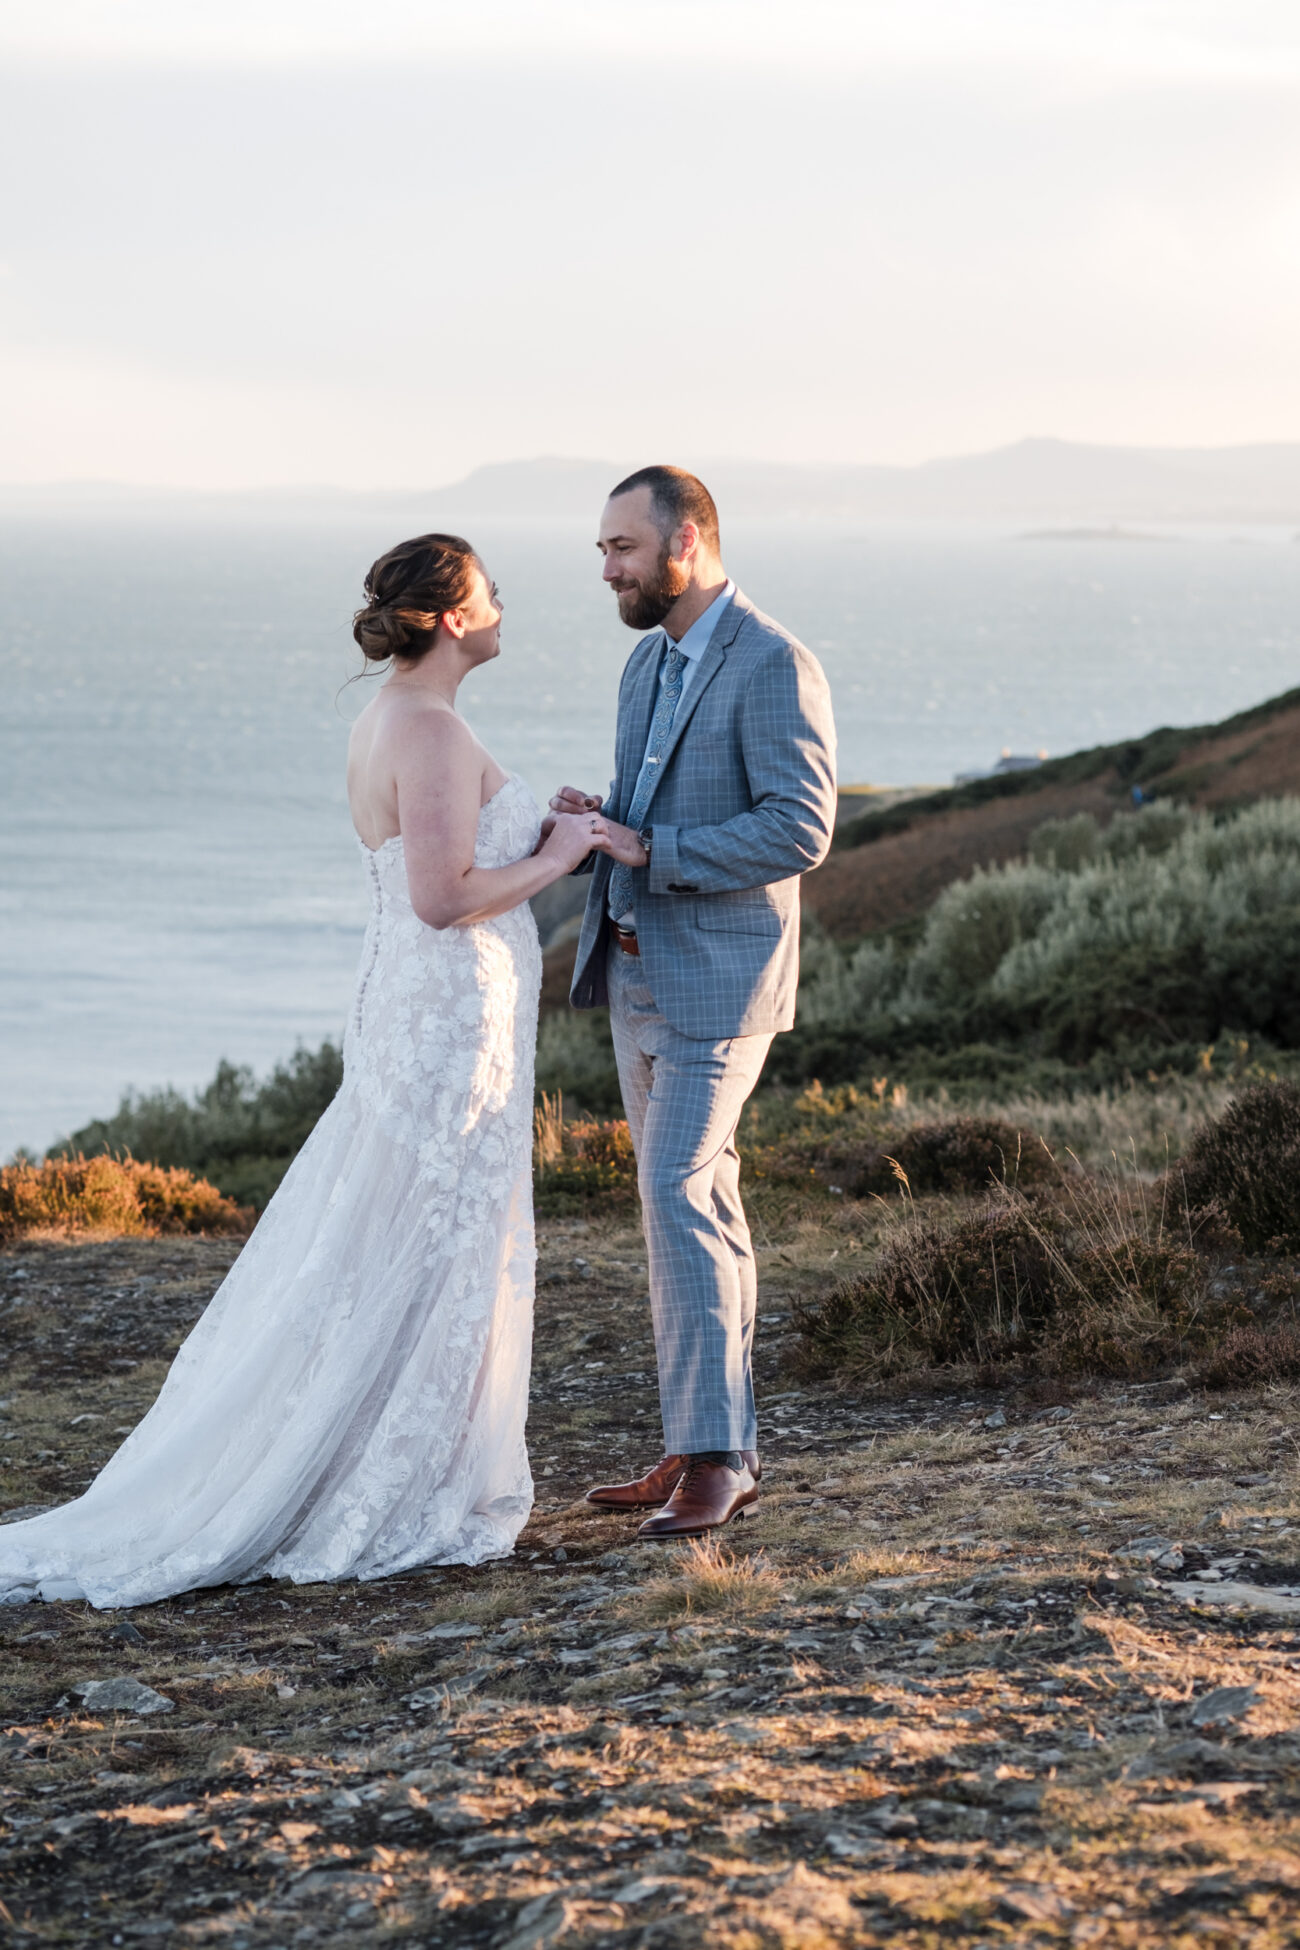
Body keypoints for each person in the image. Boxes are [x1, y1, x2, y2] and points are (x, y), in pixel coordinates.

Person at [0, 534, 595, 1607]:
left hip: (422, 1007)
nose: (505, 603)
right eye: (490, 590)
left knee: (403, 1233)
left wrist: (547, 825)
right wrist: (562, 857)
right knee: (433, 1235)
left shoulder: (398, 719)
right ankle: (391, 1479)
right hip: (446, 1017)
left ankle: (406, 1456)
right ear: (453, 614)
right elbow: (443, 896)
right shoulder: (429, 727)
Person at [550, 467, 836, 1539]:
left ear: (688, 543)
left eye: (621, 548)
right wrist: (600, 818)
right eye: (603, 550)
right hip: (635, 977)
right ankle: (701, 1442)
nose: (608, 569)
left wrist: (650, 845)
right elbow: (654, 810)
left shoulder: (772, 662)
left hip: (720, 985)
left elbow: (799, 829)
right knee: (689, 1205)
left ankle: (719, 1459)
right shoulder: (644, 661)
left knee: (678, 1197)